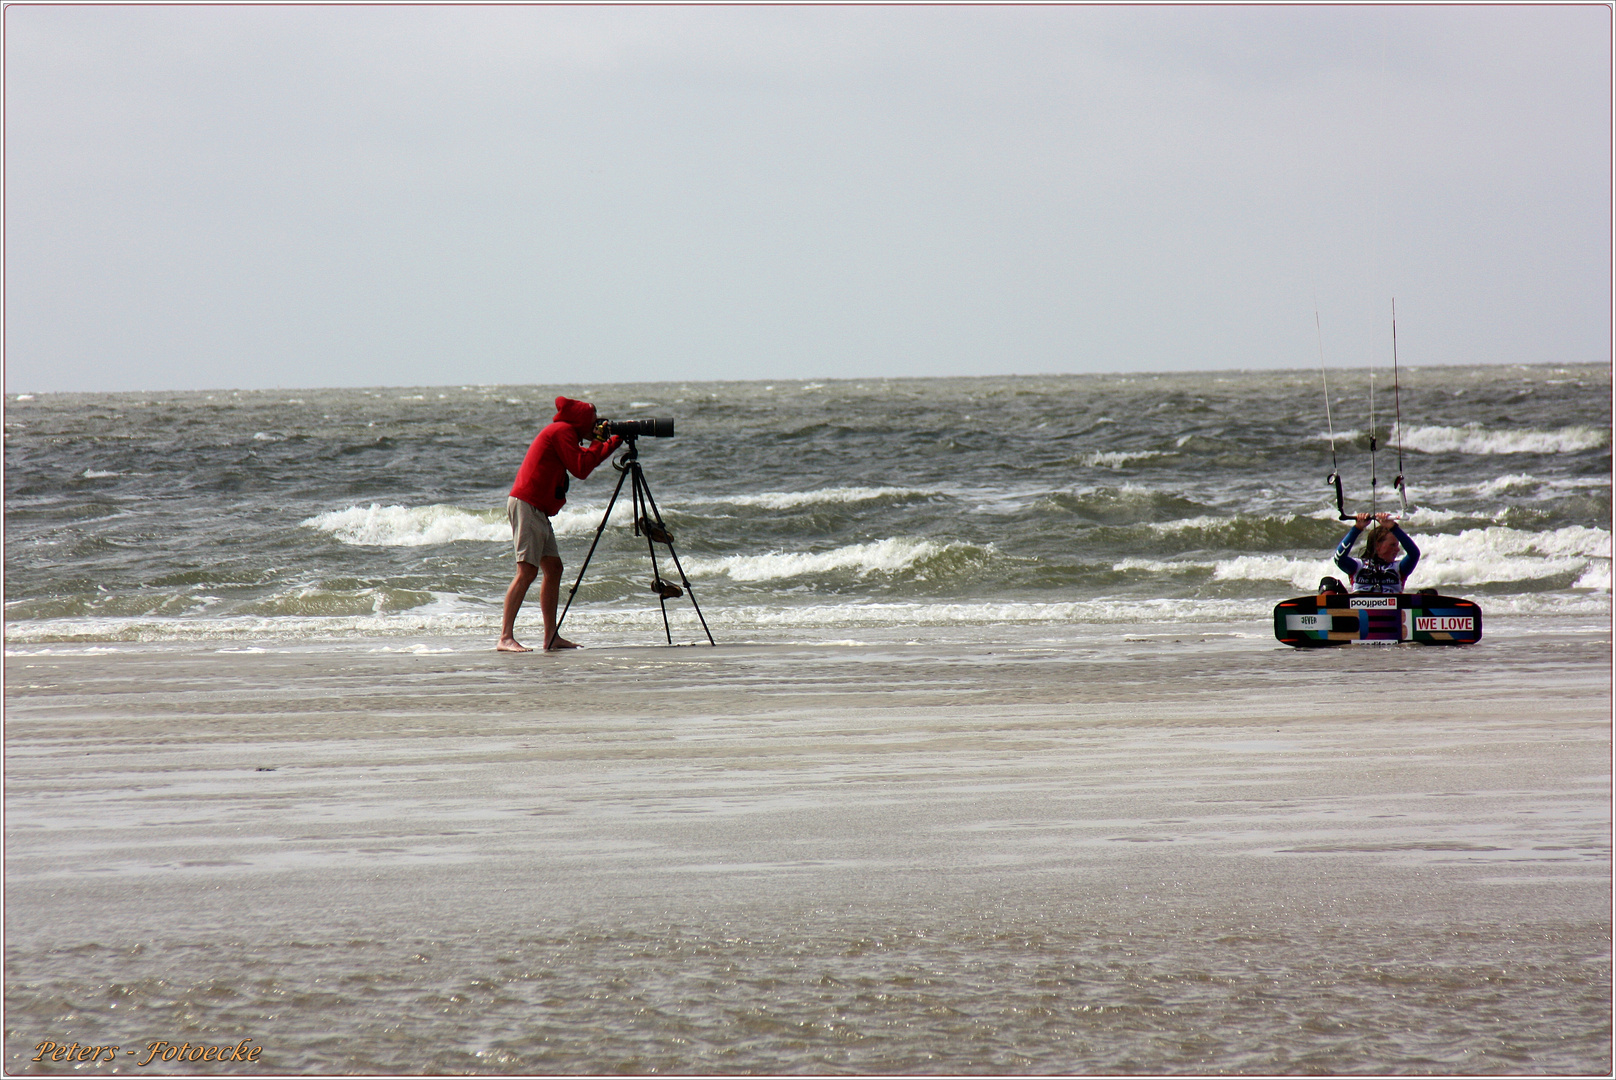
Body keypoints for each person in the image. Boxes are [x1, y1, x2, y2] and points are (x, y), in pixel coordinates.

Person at [498, 397, 622, 652]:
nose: (595, 427)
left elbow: (583, 461)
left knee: (553, 568)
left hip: (537, 509)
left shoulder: (567, 433)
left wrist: (604, 442)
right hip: (527, 504)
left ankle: (551, 637)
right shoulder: (562, 431)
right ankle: (505, 637)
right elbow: (581, 467)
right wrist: (607, 442)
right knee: (527, 571)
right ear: (581, 421)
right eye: (593, 422)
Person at [1321, 511, 1420, 595]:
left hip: (1393, 610)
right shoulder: (1358, 566)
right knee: (1328, 582)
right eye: (1392, 545)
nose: (1398, 549)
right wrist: (1357, 528)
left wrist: (1393, 527)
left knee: (1429, 592)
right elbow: (1339, 558)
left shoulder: (1399, 568)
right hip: (1359, 609)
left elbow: (1414, 554)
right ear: (1377, 546)